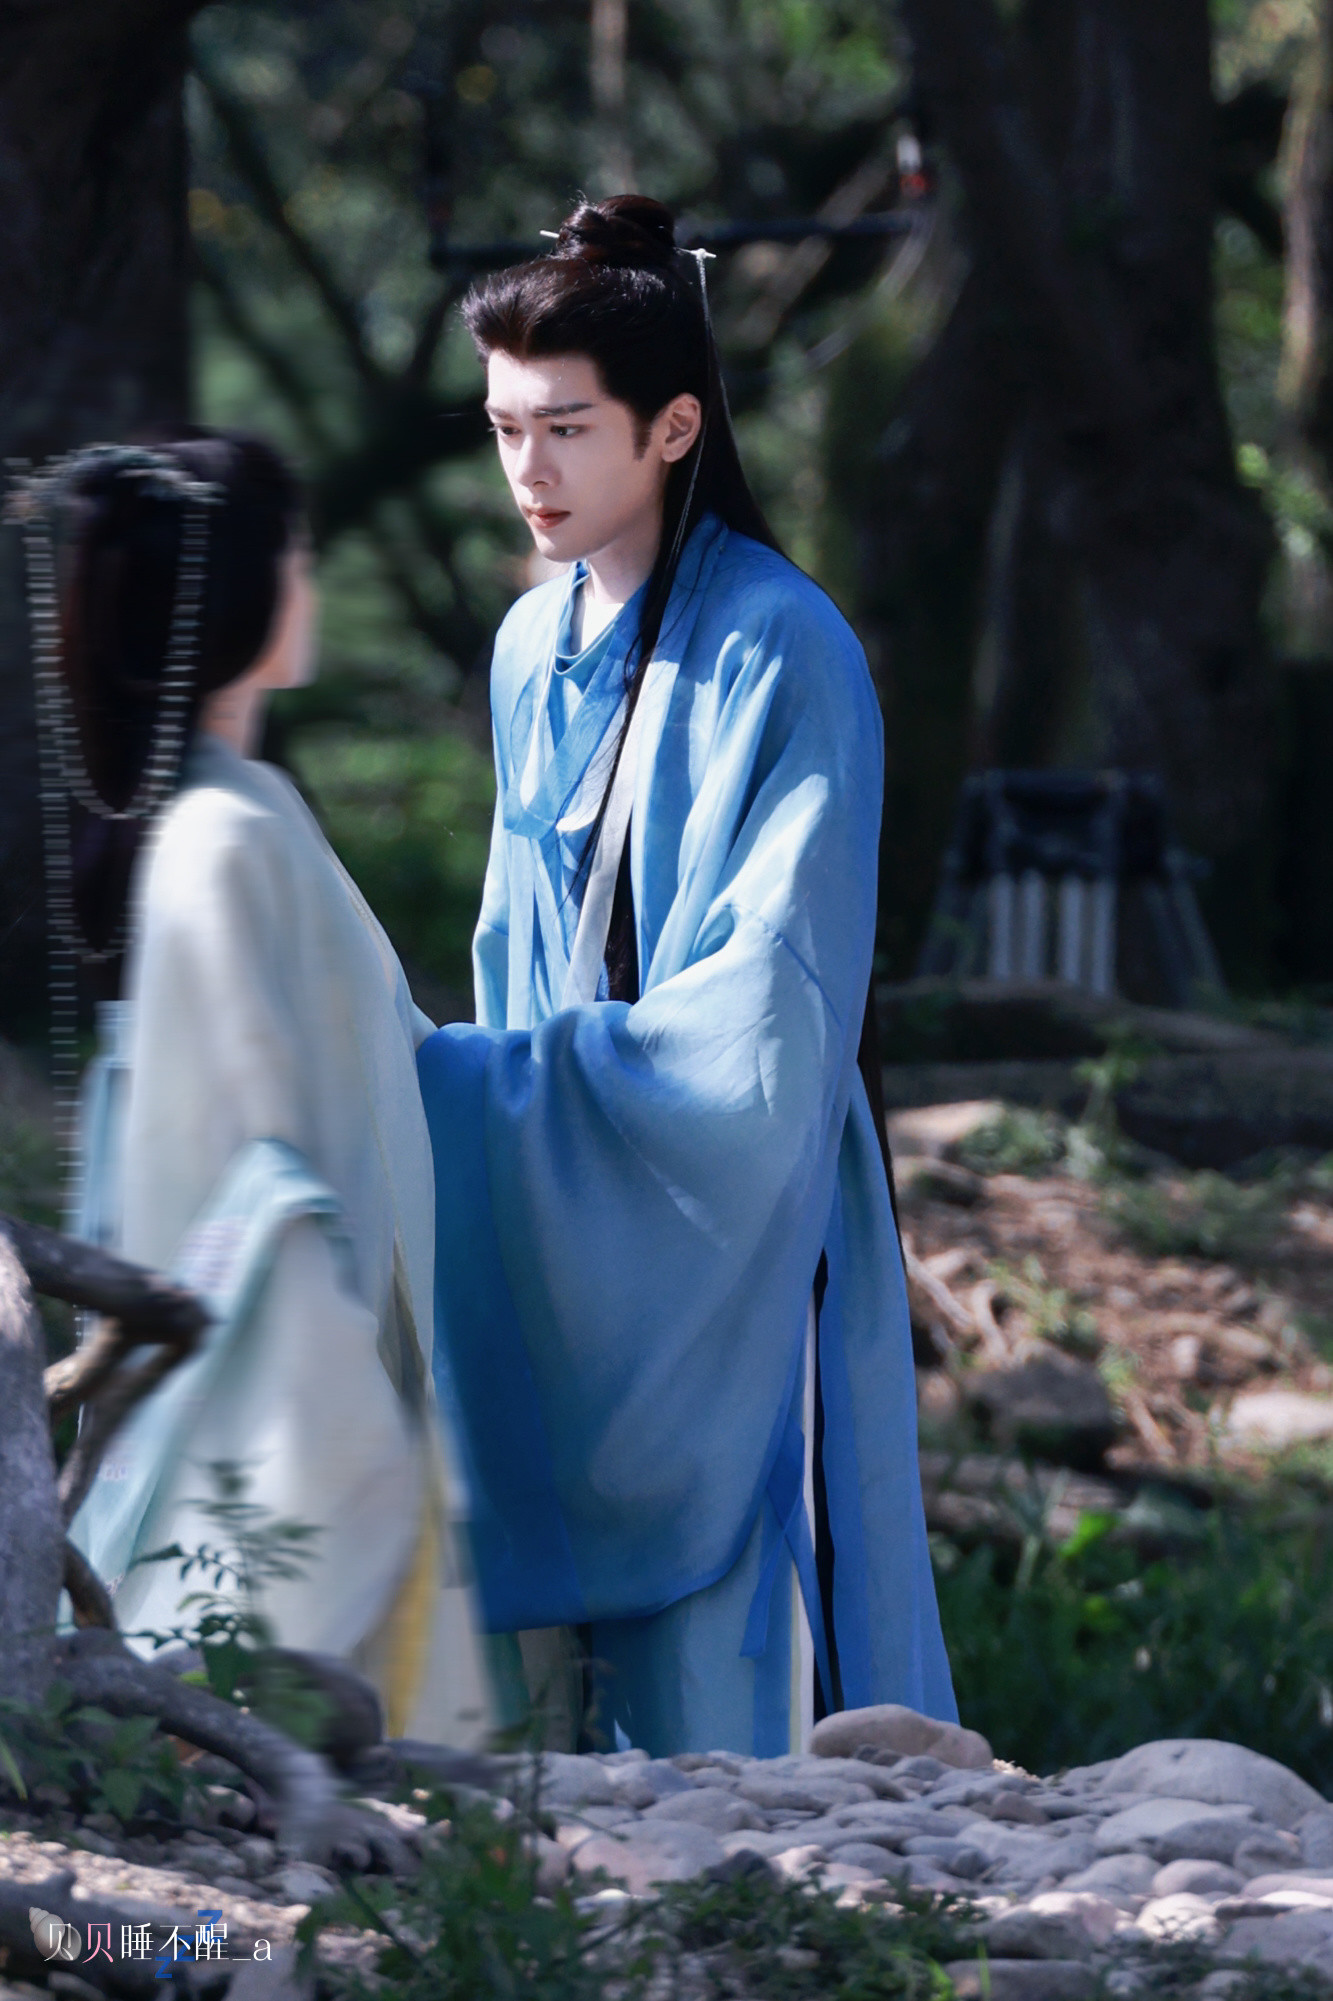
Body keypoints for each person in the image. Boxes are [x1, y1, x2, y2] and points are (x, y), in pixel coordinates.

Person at [416, 195, 956, 1758]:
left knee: (747, 1669)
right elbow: (513, 946)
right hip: (564, 1194)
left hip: (737, 1200)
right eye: (505, 428)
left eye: (566, 428)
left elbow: (768, 1010)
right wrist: (510, 1116)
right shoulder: (527, 647)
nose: (528, 470)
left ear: (672, 427)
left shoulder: (786, 645)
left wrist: (505, 1092)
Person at [15, 435, 487, 1745]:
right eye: (296, 555)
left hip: (327, 1337)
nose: (310, 581)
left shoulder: (244, 813)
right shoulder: (220, 839)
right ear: (237, 592)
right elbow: (251, 1177)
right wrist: (336, 1391)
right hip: (288, 1373)